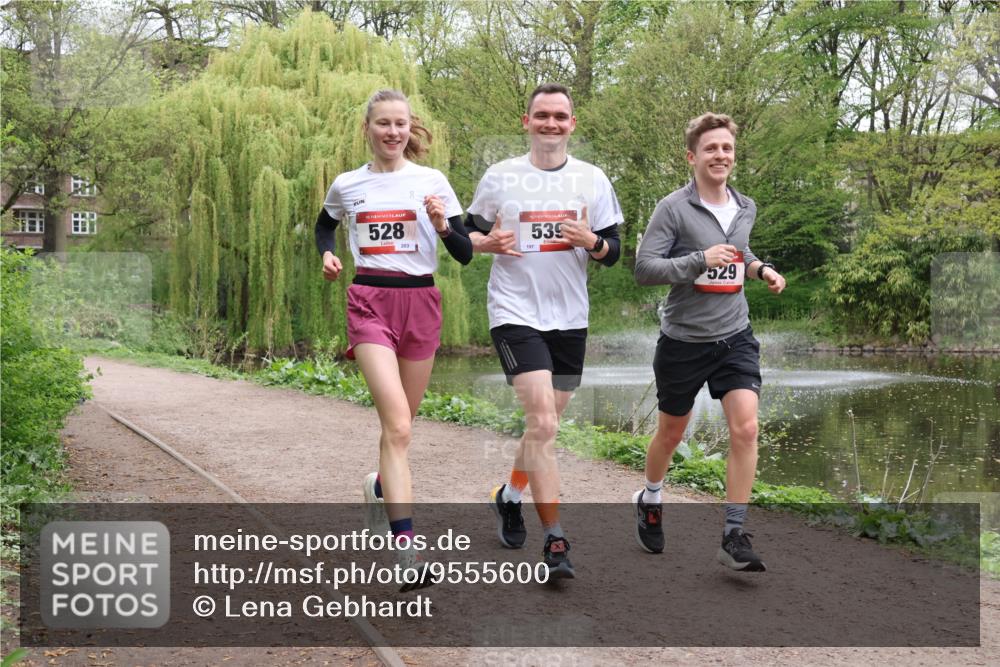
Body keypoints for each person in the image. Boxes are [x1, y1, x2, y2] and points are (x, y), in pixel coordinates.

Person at [315, 89, 472, 591]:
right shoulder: (348, 184)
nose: (392, 132)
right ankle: (406, 551)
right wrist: (327, 254)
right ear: (368, 129)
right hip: (369, 302)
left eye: (400, 124)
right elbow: (324, 225)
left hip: (421, 303)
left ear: (411, 128)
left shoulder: (432, 182)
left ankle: (380, 487)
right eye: (383, 124)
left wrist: (443, 225)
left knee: (402, 427)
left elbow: (465, 253)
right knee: (399, 427)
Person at [465, 83, 623, 579]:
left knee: (542, 426)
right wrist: (486, 243)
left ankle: (509, 496)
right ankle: (555, 540)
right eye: (542, 115)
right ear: (526, 121)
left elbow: (614, 250)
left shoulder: (592, 179)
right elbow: (464, 234)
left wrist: (592, 241)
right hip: (514, 312)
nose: (551, 123)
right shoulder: (501, 176)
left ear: (573, 123)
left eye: (560, 116)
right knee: (546, 426)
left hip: (570, 318)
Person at [633, 112, 786, 571]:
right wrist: (698, 260)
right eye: (711, 149)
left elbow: (741, 252)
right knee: (671, 432)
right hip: (683, 341)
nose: (721, 156)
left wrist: (761, 270)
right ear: (692, 157)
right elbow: (645, 268)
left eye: (727, 149)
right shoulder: (672, 208)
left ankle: (733, 534)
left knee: (746, 428)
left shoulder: (746, 206)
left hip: (735, 335)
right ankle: (651, 496)